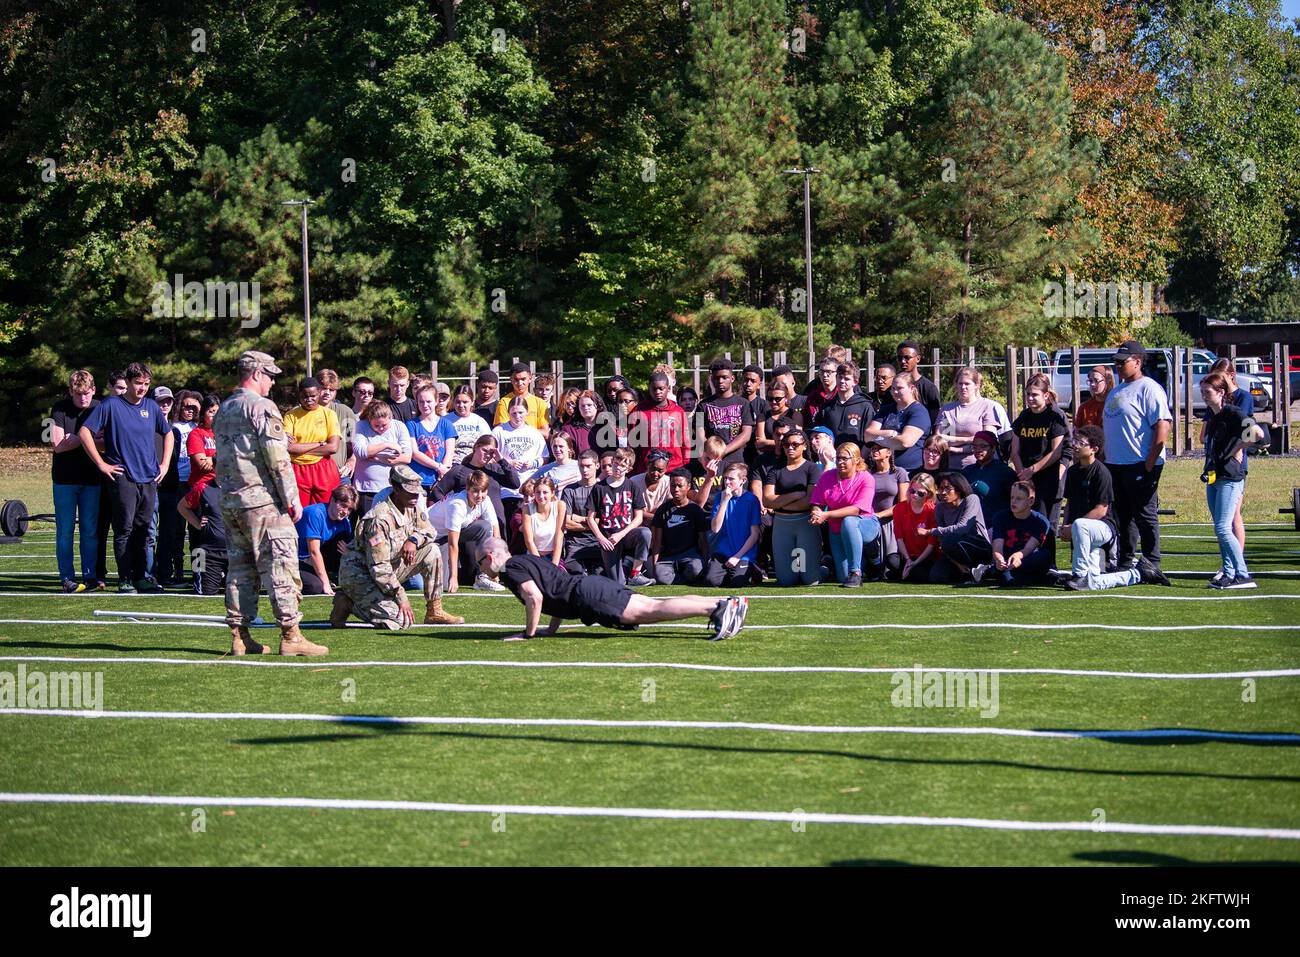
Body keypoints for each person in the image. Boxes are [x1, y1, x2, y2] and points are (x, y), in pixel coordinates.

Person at [211, 351, 327, 656]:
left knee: (240, 569)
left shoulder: (224, 409)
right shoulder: (261, 407)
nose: (273, 381)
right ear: (256, 374)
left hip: (232, 501)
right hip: (262, 502)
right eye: (270, 375)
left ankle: (239, 636)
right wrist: (292, 498)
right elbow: (278, 459)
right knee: (281, 565)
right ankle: (291, 635)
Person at [486, 539, 749, 642]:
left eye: (480, 563)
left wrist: (528, 634)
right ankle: (724, 601)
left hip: (590, 595)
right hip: (589, 588)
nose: (482, 569)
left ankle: (717, 608)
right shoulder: (525, 558)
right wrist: (552, 629)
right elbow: (557, 589)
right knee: (654, 605)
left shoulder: (511, 568)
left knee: (653, 609)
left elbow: (536, 596)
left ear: (489, 556)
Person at [79, 361, 173, 594]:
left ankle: (141, 577)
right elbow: (84, 432)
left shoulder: (151, 407)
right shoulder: (112, 404)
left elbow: (168, 433)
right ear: (129, 382)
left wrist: (164, 464)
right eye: (138, 383)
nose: (142, 388)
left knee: (144, 530)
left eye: (146, 384)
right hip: (123, 478)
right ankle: (125, 579)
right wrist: (101, 464)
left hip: (149, 479)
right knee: (124, 530)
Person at [330, 465, 464, 628]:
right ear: (396, 488)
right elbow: (379, 568)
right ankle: (347, 602)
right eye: (410, 491)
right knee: (399, 621)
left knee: (432, 550)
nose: (416, 496)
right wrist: (401, 596)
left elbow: (429, 531)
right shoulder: (379, 519)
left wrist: (414, 540)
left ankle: (434, 611)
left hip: (389, 567)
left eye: (417, 492)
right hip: (361, 575)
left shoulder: (411, 507)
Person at [1103, 340, 1171, 579]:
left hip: (1139, 462)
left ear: (1138, 362)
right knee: (1122, 514)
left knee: (1144, 513)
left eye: (1123, 362)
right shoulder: (1117, 390)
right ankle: (1125, 559)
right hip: (1116, 463)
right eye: (1116, 362)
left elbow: (1162, 425)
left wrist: (1150, 462)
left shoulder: (1149, 388)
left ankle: (1153, 560)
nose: (1118, 366)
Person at [1057, 424, 1137, 591]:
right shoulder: (1072, 472)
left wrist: (1073, 527)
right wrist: (1065, 527)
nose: (1075, 446)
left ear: (1094, 449)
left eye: (1081, 443)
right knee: (1095, 580)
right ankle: (1136, 574)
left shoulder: (1101, 472)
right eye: (1075, 441)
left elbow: (1101, 510)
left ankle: (1078, 575)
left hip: (1103, 528)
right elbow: (1070, 503)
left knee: (1080, 525)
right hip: (1082, 529)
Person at [1201, 371, 1261, 589]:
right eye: (1202, 392)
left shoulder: (1233, 413)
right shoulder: (1214, 417)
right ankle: (1228, 572)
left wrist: (1238, 448)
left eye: (1207, 392)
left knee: (1224, 528)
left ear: (1220, 392)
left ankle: (1243, 575)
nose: (1204, 396)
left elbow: (1258, 435)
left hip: (1231, 477)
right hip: (1214, 475)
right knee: (1219, 527)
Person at [50, 370, 101, 592]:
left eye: (87, 393)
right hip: (65, 480)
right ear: (71, 391)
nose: (83, 399)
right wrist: (88, 438)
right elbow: (58, 445)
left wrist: (76, 439)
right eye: (78, 394)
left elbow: (107, 442)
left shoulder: (100, 407)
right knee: (65, 530)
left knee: (90, 530)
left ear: (93, 390)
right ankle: (67, 578)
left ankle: (90, 575)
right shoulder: (60, 409)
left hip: (92, 479)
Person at [809, 442, 880, 587]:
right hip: (836, 529)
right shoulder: (826, 477)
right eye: (838, 458)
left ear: (856, 460)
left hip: (865, 524)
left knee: (849, 521)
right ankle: (858, 564)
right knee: (842, 577)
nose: (840, 462)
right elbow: (817, 503)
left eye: (844, 459)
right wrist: (816, 514)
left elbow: (856, 509)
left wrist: (826, 515)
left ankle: (857, 572)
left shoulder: (866, 478)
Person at [1010, 373, 1070, 529]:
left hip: (1048, 476)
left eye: (1034, 395)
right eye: (1028, 394)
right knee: (1027, 526)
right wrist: (1023, 474)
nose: (1030, 398)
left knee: (1046, 526)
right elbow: (1014, 451)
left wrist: (1032, 470)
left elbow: (1056, 452)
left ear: (1046, 395)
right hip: (1026, 477)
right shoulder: (1024, 417)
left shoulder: (1055, 416)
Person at [428, 469, 504, 592]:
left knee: (484, 527)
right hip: (430, 538)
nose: (479, 495)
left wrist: (495, 570)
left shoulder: (485, 501)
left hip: (446, 537)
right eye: (475, 491)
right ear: (467, 489)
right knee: (423, 585)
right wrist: (454, 577)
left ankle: (482, 577)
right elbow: (453, 544)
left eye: (483, 491)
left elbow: (496, 533)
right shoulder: (457, 505)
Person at [764, 429, 823, 586]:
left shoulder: (812, 468)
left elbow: (809, 501)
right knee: (786, 581)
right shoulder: (775, 470)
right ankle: (797, 570)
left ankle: (823, 569)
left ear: (804, 446)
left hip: (805, 523)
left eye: (795, 444)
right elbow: (767, 501)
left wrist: (781, 501)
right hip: (782, 525)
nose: (790, 447)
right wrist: (795, 495)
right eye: (786, 444)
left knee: (810, 581)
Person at [156, 389, 203, 586]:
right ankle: (173, 572)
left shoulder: (201, 428)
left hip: (196, 485)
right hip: (174, 484)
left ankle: (199, 572)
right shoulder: (170, 427)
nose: (190, 410)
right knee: (172, 532)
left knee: (198, 533)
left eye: (194, 407)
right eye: (186, 406)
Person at [587, 448, 653, 586]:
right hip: (608, 538)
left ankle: (635, 573)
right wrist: (601, 538)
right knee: (618, 583)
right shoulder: (599, 488)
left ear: (629, 468)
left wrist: (621, 534)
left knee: (645, 532)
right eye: (616, 463)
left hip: (626, 534)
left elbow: (639, 518)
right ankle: (622, 567)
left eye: (623, 466)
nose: (618, 468)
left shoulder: (632, 486)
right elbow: (590, 518)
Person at [432, 433, 520, 531]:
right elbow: (437, 492)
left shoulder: (494, 469)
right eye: (484, 451)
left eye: (491, 453)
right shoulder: (459, 470)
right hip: (472, 528)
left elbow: (515, 484)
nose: (487, 455)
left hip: (496, 525)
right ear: (476, 447)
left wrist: (501, 460)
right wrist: (452, 509)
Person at [919, 472, 992, 584]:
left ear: (959, 488)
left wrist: (930, 531)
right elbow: (941, 540)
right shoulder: (939, 508)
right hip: (954, 552)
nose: (943, 492)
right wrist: (957, 564)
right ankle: (969, 573)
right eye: (940, 489)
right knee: (937, 577)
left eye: (948, 488)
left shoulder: (971, 499)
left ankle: (984, 568)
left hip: (979, 547)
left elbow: (962, 528)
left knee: (950, 539)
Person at [977, 480, 1053, 587]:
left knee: (1045, 556)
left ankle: (992, 571)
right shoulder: (1000, 517)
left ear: (1030, 501)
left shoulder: (1041, 521)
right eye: (1012, 497)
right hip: (1007, 560)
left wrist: (1018, 556)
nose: (1013, 502)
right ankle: (1038, 578)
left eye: (1019, 499)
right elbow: (997, 547)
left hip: (1027, 558)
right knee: (1008, 580)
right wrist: (999, 559)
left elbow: (1029, 548)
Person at [284, 377, 342, 507]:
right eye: (305, 396)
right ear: (299, 395)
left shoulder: (329, 414)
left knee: (325, 511)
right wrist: (320, 443)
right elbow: (289, 447)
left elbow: (333, 447)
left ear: (320, 393)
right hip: (297, 470)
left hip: (323, 469)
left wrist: (300, 449)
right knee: (298, 513)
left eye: (313, 396)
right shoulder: (290, 416)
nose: (309, 400)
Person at [493, 395, 551, 519]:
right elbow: (490, 457)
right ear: (508, 412)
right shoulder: (499, 431)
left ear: (527, 413)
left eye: (521, 412)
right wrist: (507, 462)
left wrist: (533, 463)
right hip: (507, 489)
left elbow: (545, 458)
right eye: (514, 413)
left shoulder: (534, 433)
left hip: (530, 488)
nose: (517, 416)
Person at [352, 400, 413, 518]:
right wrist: (387, 445)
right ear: (369, 420)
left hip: (391, 488)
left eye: (384, 425)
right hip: (367, 488)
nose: (380, 429)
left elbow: (406, 457)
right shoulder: (361, 425)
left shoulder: (399, 426)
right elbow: (360, 452)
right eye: (376, 425)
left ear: (390, 418)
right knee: (369, 525)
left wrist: (374, 456)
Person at [705, 463, 763, 587]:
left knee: (738, 582)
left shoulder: (751, 500)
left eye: (731, 479)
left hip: (744, 553)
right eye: (725, 478)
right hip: (724, 551)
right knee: (711, 581)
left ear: (743, 480)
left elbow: (754, 535)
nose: (727, 482)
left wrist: (737, 557)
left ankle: (754, 570)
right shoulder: (720, 497)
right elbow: (715, 528)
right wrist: (725, 501)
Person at [295, 484, 358, 595]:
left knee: (346, 542)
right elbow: (314, 552)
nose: (346, 512)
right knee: (315, 587)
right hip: (295, 558)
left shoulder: (344, 522)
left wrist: (349, 552)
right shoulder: (315, 514)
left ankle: (333, 575)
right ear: (333, 500)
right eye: (343, 506)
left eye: (349, 509)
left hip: (314, 558)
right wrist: (326, 584)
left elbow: (352, 549)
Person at [650, 468, 710, 585]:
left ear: (688, 486)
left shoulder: (695, 510)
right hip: (668, 558)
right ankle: (682, 578)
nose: (676, 489)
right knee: (660, 576)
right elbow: (657, 541)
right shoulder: (662, 510)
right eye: (673, 486)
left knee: (696, 569)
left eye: (680, 486)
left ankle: (684, 575)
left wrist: (705, 562)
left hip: (690, 555)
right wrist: (655, 566)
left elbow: (703, 540)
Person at [936, 367, 1001, 468]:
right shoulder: (948, 410)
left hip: (979, 467)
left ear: (976, 385)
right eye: (960, 383)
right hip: (952, 467)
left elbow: (987, 442)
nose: (963, 387)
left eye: (967, 384)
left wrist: (957, 449)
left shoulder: (986, 407)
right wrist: (969, 440)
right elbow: (944, 440)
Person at [695, 358, 754, 468]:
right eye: (717, 378)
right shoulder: (702, 405)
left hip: (736, 463)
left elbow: (746, 435)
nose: (720, 381)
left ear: (732, 378)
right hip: (712, 461)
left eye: (724, 377)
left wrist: (724, 450)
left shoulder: (744, 404)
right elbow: (699, 433)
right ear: (711, 379)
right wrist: (712, 452)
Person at [865, 374, 930, 472]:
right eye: (893, 388)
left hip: (909, 471)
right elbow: (867, 435)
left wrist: (877, 438)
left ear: (911, 388)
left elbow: (905, 442)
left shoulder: (918, 412)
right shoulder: (886, 410)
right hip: (882, 470)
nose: (895, 392)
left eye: (900, 388)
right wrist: (890, 434)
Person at [629, 373, 691, 473]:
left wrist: (685, 465)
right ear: (649, 388)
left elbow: (685, 442)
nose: (657, 392)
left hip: (674, 468)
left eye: (661, 388)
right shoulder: (639, 411)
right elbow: (632, 443)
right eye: (654, 389)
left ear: (668, 388)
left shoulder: (678, 411)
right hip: (648, 469)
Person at [177, 474, 228, 595]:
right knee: (203, 592)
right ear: (214, 468)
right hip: (207, 552)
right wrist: (196, 523)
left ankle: (223, 578)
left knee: (240, 593)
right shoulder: (202, 487)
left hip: (237, 554)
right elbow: (182, 506)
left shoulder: (242, 487)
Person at [865, 441, 908, 580]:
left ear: (889, 452)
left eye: (879, 448)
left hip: (892, 523)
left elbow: (903, 504)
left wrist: (879, 515)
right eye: (873, 449)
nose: (874, 451)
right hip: (871, 523)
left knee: (893, 564)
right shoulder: (867, 474)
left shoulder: (899, 473)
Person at [406, 381, 458, 491]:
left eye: (428, 401)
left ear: (436, 401)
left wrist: (443, 472)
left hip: (441, 480)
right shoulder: (411, 425)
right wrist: (438, 467)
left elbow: (449, 452)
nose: (425, 405)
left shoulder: (446, 424)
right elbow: (415, 453)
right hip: (418, 480)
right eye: (421, 402)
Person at [561, 449, 603, 575]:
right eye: (581, 466)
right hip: (574, 544)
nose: (584, 470)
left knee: (600, 577)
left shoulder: (604, 489)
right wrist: (591, 523)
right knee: (577, 574)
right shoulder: (569, 490)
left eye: (588, 466)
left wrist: (579, 519)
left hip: (598, 543)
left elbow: (603, 522)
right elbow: (566, 523)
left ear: (597, 465)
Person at [815, 361, 874, 449]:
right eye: (840, 377)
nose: (842, 381)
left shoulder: (865, 407)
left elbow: (870, 439)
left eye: (847, 379)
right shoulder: (827, 407)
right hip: (831, 459)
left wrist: (860, 459)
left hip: (857, 459)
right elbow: (819, 435)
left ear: (855, 382)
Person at [893, 473, 939, 582]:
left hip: (926, 556)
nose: (915, 495)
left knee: (919, 574)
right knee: (892, 562)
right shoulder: (899, 508)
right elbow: (899, 538)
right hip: (907, 554)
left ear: (929, 494)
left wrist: (915, 563)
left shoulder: (933, 511)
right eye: (912, 491)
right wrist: (908, 560)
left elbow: (931, 544)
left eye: (920, 493)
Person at [961, 430, 1016, 521]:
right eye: (975, 446)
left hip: (997, 524)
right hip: (971, 524)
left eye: (983, 446)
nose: (978, 450)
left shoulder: (1005, 472)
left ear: (993, 448)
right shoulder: (967, 471)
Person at [317, 369, 358, 481]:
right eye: (324, 388)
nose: (327, 393)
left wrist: (353, 460)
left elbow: (356, 441)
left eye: (331, 389)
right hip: (313, 473)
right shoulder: (304, 412)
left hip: (339, 473)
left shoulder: (344, 412)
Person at [491, 362, 551, 436]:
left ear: (530, 379)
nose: (520, 383)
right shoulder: (504, 402)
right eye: (516, 379)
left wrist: (524, 430)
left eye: (523, 379)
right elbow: (501, 431)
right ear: (511, 380)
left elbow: (545, 433)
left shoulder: (540, 403)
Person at [895, 339, 941, 431]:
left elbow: (936, 420)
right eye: (900, 358)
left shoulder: (929, 388)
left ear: (918, 358)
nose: (903, 361)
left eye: (907, 357)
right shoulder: (894, 386)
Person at [521, 475, 566, 566]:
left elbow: (559, 536)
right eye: (538, 492)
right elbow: (529, 541)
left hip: (554, 555)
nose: (541, 496)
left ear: (552, 493)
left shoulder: (559, 506)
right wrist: (541, 565)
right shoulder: (527, 509)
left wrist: (554, 565)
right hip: (534, 556)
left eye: (545, 492)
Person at [446, 385, 492, 464]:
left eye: (465, 402)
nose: (461, 405)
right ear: (453, 401)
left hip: (475, 464)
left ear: (472, 402)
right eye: (458, 402)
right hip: (454, 464)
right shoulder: (445, 420)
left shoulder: (479, 421)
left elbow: (489, 443)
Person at [186, 393, 220, 500]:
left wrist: (212, 459)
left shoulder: (223, 434)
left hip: (221, 485)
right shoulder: (195, 434)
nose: (215, 416)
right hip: (202, 487)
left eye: (217, 412)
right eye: (211, 412)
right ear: (203, 414)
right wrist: (223, 459)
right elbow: (203, 465)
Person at [561, 390, 610, 457]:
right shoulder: (569, 429)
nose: (586, 408)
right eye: (582, 406)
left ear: (597, 406)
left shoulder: (608, 427)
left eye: (589, 405)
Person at [1074, 365, 1114, 430]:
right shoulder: (1084, 407)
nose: (1092, 384)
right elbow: (1077, 433)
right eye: (1090, 381)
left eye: (1096, 380)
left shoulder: (1115, 405)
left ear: (1108, 381)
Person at [803, 357, 840, 425]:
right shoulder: (813, 397)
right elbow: (806, 422)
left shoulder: (842, 395)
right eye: (822, 371)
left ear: (837, 373)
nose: (825, 375)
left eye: (829, 372)